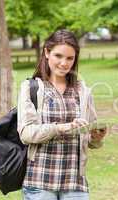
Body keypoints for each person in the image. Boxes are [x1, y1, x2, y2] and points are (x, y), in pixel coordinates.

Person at [17, 29, 106, 200]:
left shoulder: (83, 91)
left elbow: (90, 141)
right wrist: (61, 128)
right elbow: (26, 133)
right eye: (58, 56)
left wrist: (96, 137)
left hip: (75, 184)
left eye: (70, 58)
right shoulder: (31, 88)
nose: (64, 63)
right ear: (46, 52)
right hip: (40, 182)